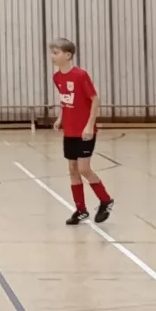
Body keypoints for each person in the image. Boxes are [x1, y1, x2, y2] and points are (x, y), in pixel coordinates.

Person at [49, 38, 112, 225]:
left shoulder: (80, 75)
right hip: (69, 130)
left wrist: (89, 125)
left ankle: (105, 200)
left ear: (68, 55)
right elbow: (65, 100)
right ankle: (81, 209)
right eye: (52, 53)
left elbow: (94, 99)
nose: (52, 56)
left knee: (84, 168)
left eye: (56, 53)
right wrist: (60, 118)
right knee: (72, 169)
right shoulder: (57, 77)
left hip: (84, 131)